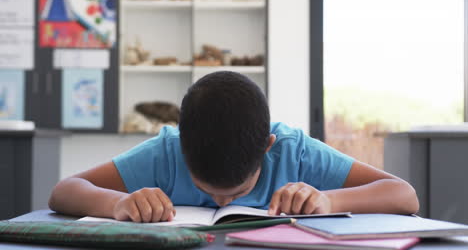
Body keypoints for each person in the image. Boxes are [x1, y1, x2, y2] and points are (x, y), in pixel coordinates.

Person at [49, 71, 419, 223]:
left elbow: (404, 195)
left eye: (239, 191)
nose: (224, 204)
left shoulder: (294, 151)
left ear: (267, 147)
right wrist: (116, 204)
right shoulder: (167, 152)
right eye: (208, 191)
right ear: (183, 145)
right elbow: (64, 192)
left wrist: (331, 200)